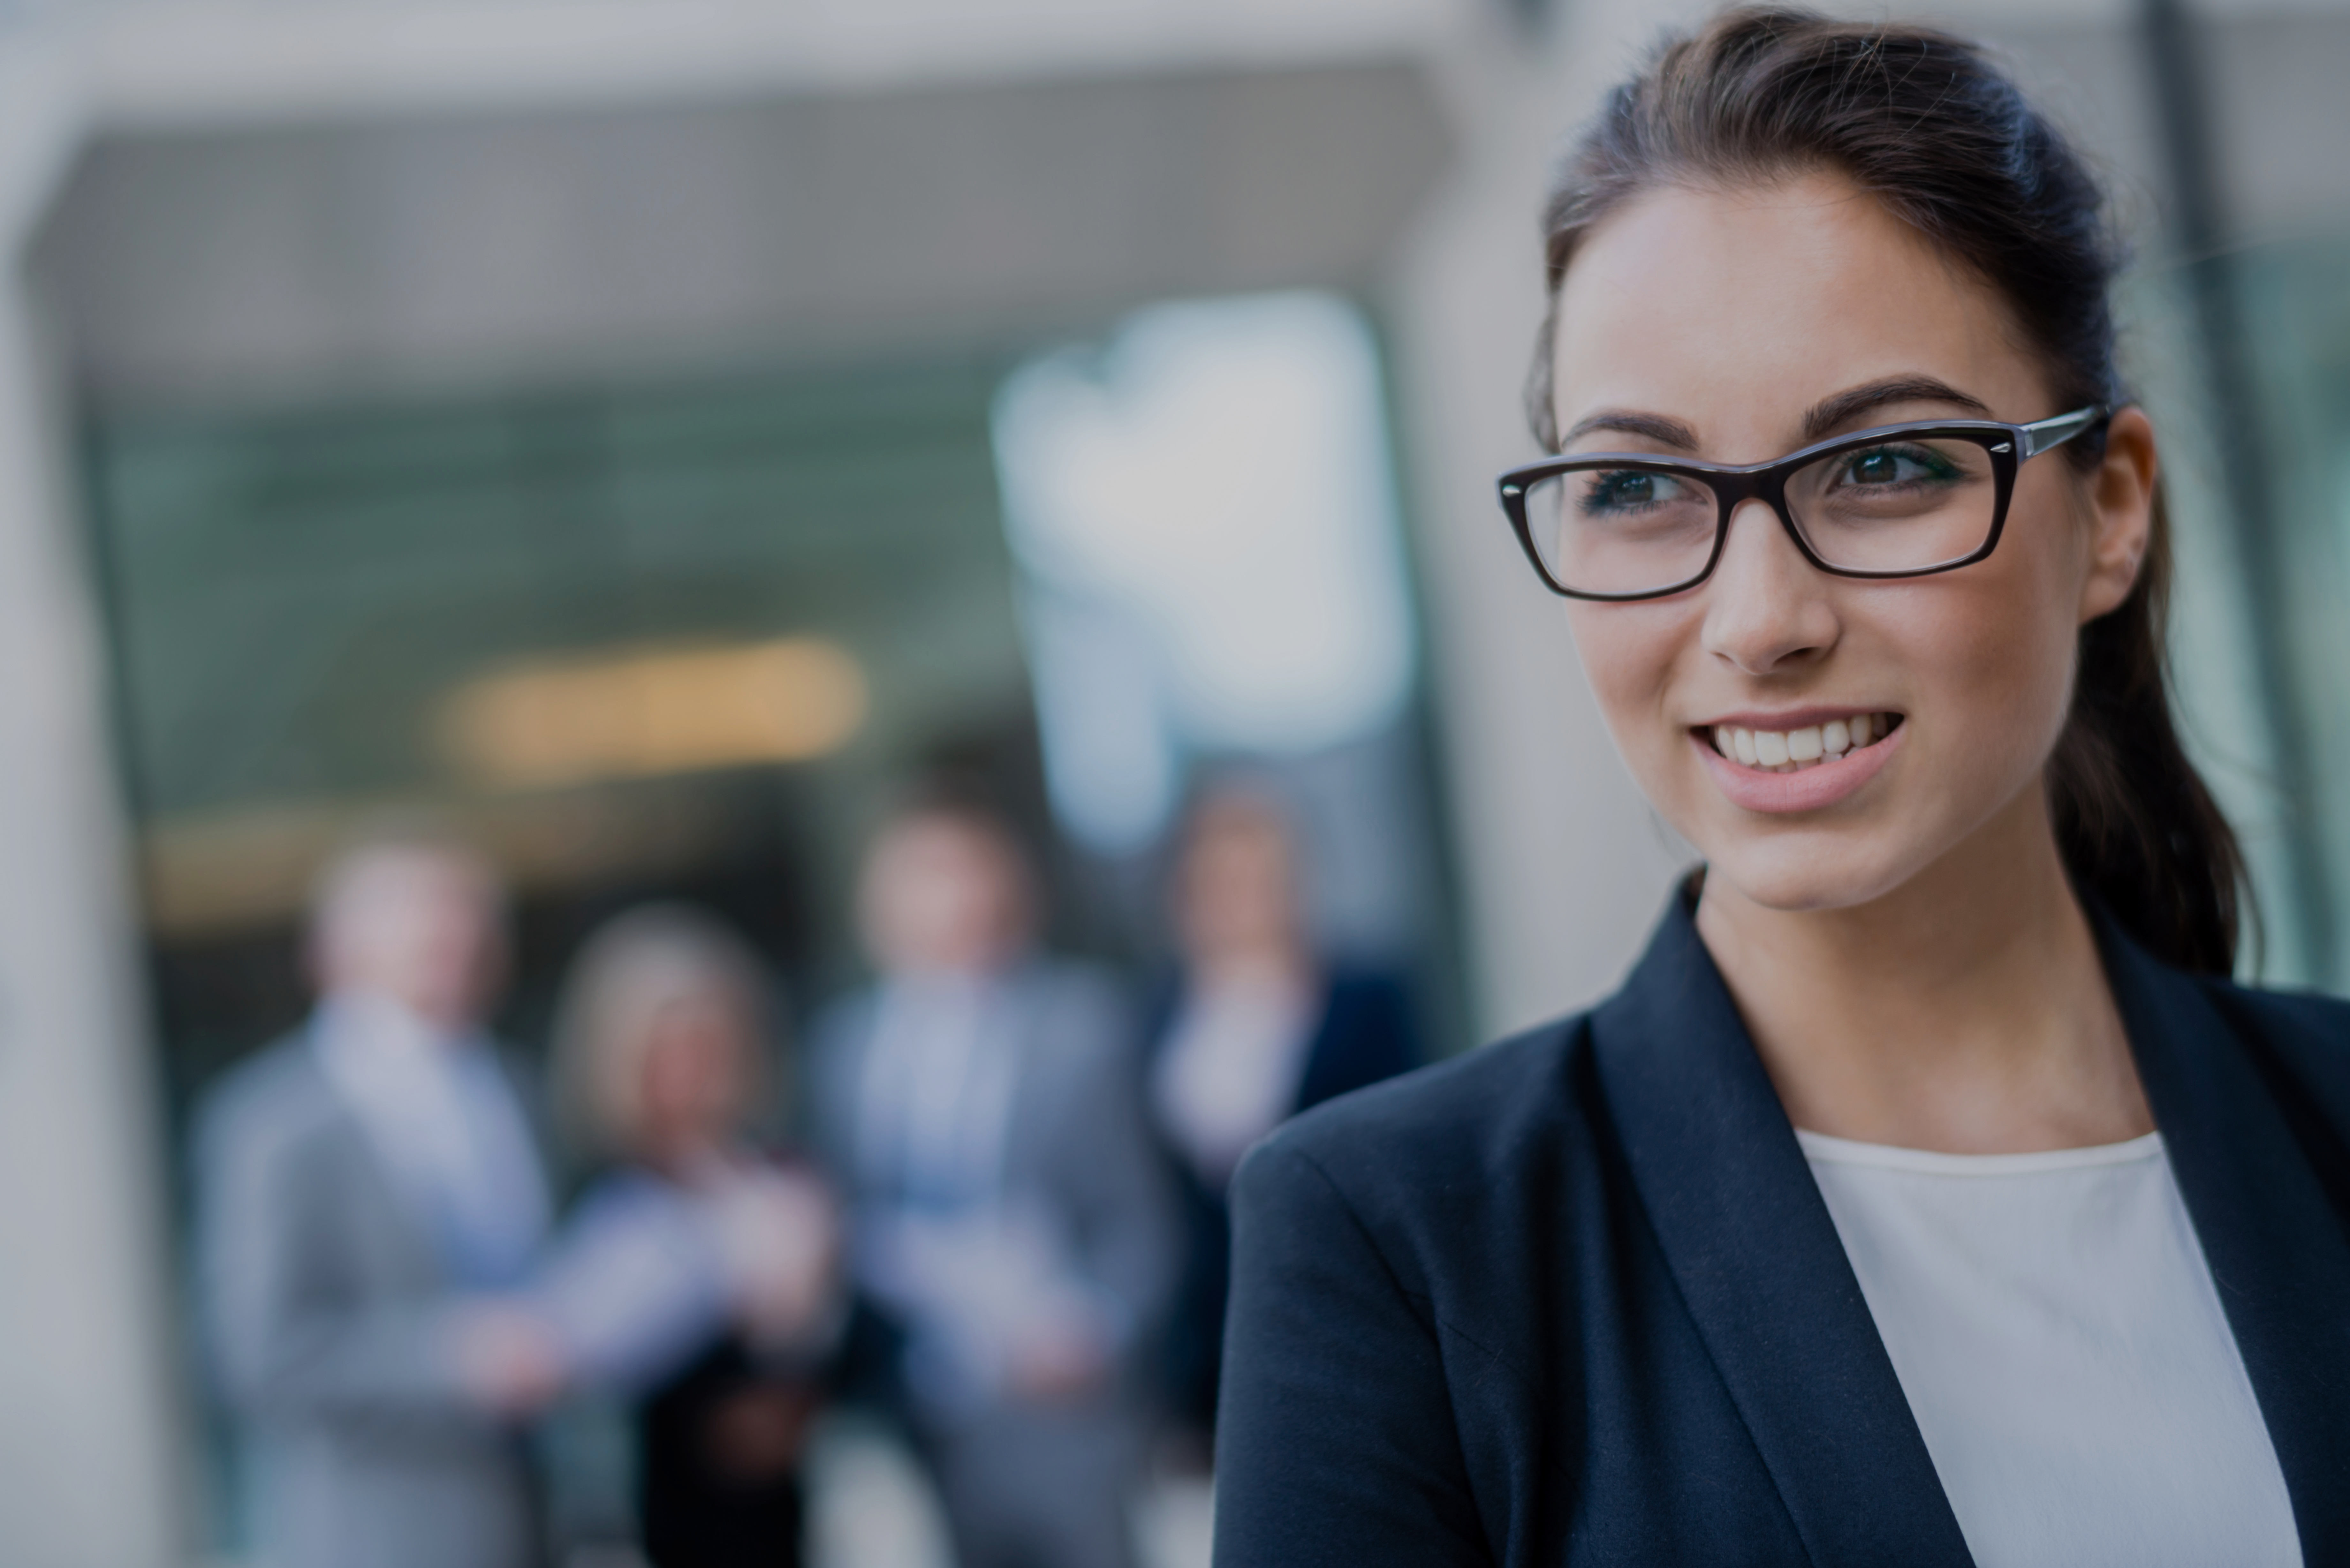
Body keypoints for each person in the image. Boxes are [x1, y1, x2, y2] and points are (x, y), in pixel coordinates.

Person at [1214, 11, 2350, 1565]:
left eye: (1883, 466)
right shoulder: (1404, 1245)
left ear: (2107, 512)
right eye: (1633, 487)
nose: (1756, 620)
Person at [807, 804, 1178, 1568]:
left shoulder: (1083, 1025)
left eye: (964, 871)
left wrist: (1098, 1333)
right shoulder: (847, 1051)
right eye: (922, 877)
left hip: (1063, 1399)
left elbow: (1142, 1218)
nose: (948, 898)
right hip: (923, 1415)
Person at [195, 832, 560, 1568]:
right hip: (380, 1533)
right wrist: (448, 1359)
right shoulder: (274, 1121)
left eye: (471, 937)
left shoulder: (511, 1090)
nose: (457, 958)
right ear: (337, 954)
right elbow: (258, 1354)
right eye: (430, 940)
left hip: (533, 1520)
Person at [537, 904, 842, 1568]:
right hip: (651, 1506)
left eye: (708, 1048)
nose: (691, 1073)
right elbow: (575, 1356)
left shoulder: (779, 1172)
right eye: (669, 1052)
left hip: (776, 1509)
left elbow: (840, 1344)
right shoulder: (597, 1189)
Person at [1145, 788, 1417, 1433]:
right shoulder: (1157, 1015)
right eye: (1225, 879)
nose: (1247, 896)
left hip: (1340, 1306)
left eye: (1262, 875)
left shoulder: (1363, 996)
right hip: (1206, 1338)